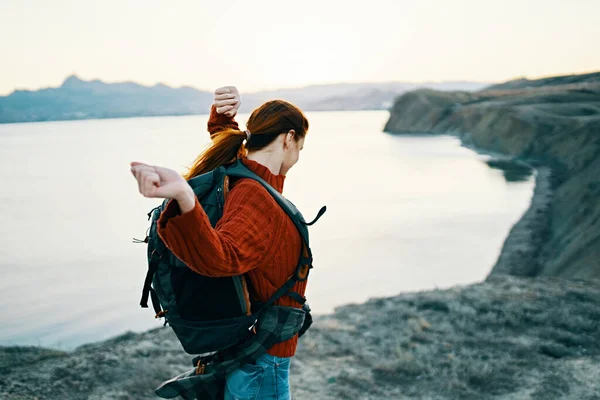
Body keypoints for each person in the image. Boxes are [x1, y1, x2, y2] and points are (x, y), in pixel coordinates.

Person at [130, 86, 310, 400]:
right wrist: (184, 199)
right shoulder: (256, 197)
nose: (297, 157)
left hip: (255, 352)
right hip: (261, 360)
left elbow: (230, 141)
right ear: (289, 138)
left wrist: (223, 119)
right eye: (300, 148)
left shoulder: (246, 169)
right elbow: (220, 258)